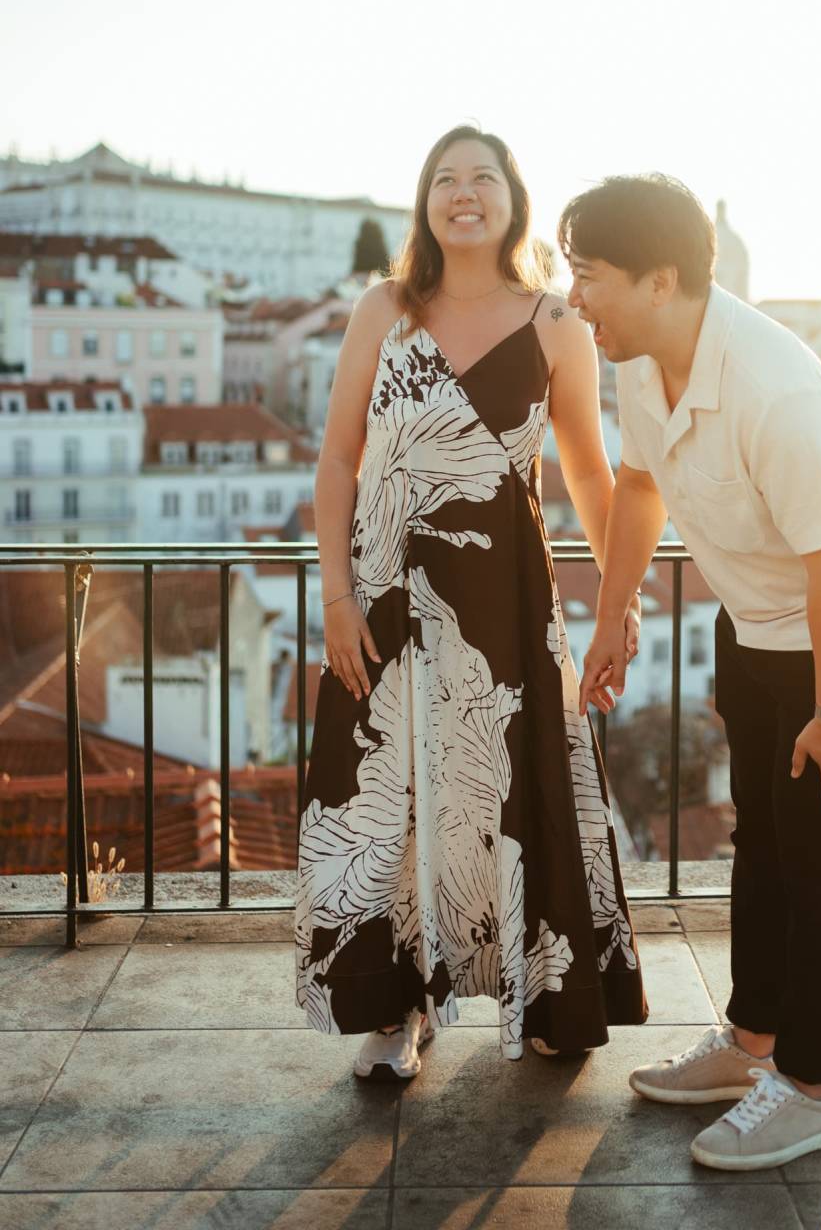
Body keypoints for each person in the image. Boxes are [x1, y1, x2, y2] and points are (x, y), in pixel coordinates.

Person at [558, 173, 821, 1170]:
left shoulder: (774, 385)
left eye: (588, 276)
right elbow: (638, 485)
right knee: (762, 837)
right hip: (756, 622)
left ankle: (810, 1089)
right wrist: (614, 611)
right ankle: (752, 1041)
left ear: (660, 279)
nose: (575, 299)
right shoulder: (641, 361)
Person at [295, 126, 647, 1079]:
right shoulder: (383, 309)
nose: (464, 193)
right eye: (445, 179)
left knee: (517, 793)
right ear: (424, 202)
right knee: (390, 800)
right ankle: (393, 1011)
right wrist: (336, 598)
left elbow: (591, 476)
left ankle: (547, 993)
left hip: (508, 607)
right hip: (386, 600)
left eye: (482, 178)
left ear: (512, 200)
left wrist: (619, 601)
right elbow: (337, 462)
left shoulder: (556, 324)